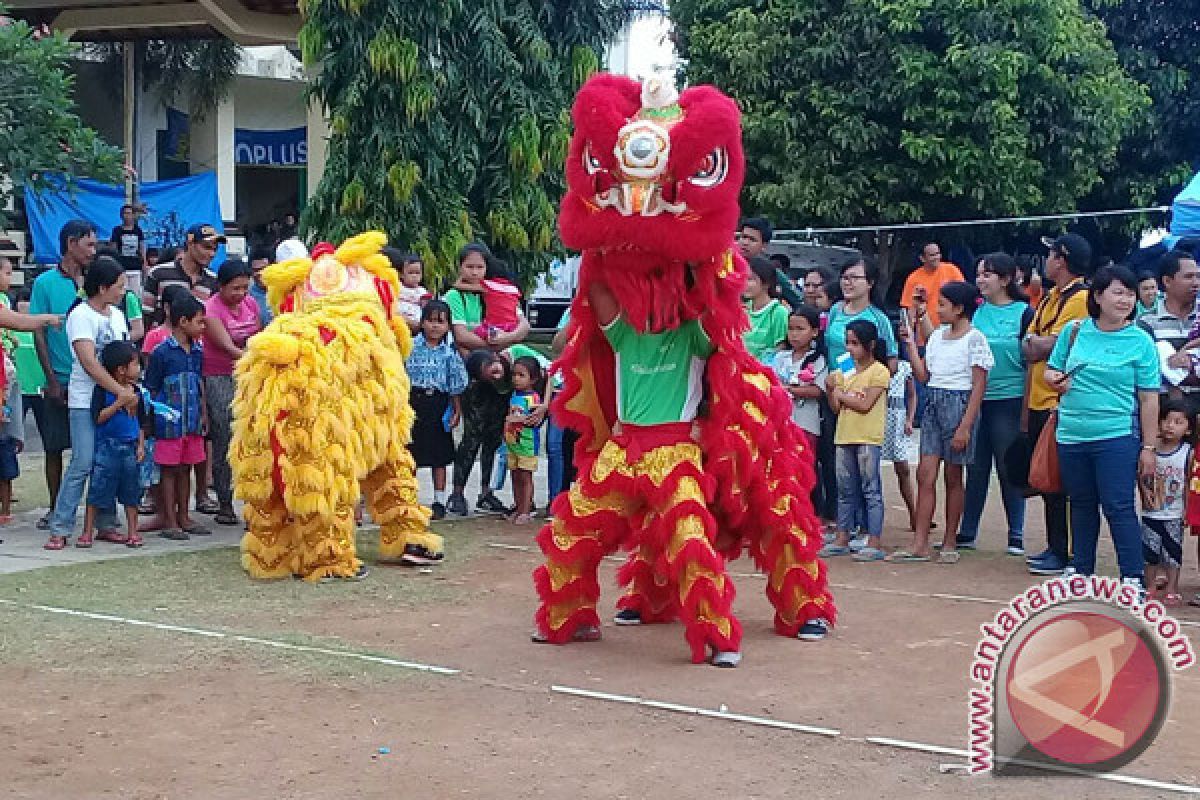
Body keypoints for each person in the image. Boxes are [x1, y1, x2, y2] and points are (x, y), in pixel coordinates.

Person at [1044, 265, 1159, 589]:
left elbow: (1149, 399)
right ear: (1097, 296)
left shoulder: (1140, 341)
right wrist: (1055, 380)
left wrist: (1148, 448)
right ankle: (1081, 570)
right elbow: (1051, 371)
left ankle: (1132, 578)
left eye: (1130, 293)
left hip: (1116, 436)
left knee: (1118, 505)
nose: (1125, 300)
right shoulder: (1074, 331)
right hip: (1071, 434)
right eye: (1118, 292)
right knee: (1080, 503)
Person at [895, 281, 993, 563]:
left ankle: (950, 541)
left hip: (959, 405)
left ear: (959, 309)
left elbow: (978, 386)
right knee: (925, 474)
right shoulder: (938, 337)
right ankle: (920, 542)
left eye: (943, 305)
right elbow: (924, 375)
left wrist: (965, 426)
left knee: (953, 475)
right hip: (935, 404)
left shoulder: (975, 339)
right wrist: (911, 346)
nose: (939, 310)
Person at [44, 256, 132, 550]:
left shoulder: (116, 315)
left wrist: (123, 391)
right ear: (104, 287)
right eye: (119, 286)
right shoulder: (80, 315)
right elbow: (89, 363)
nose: (123, 291)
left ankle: (105, 523)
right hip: (85, 399)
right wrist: (119, 392)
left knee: (107, 461)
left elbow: (123, 356)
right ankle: (61, 525)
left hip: (112, 397)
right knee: (82, 462)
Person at [1022, 232, 1092, 575]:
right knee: (1048, 480)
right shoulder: (1052, 297)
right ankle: (1056, 548)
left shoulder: (1079, 298)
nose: (1046, 260)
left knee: (1063, 481)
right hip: (1040, 398)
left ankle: (1068, 554)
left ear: (1061, 259)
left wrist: (1037, 343)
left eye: (1051, 254)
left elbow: (1044, 346)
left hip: (1059, 401)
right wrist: (1037, 343)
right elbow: (1030, 342)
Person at [444, 243, 529, 516]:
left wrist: (505, 339)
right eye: (469, 266)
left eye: (479, 266)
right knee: (472, 436)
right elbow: (461, 336)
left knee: (495, 436)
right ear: (460, 267)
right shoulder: (454, 297)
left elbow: (523, 325)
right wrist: (492, 345)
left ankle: (486, 492)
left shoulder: (497, 291)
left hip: (501, 373)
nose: (475, 271)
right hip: (473, 375)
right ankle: (457, 494)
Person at [958, 254, 1033, 555]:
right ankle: (968, 530)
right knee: (975, 467)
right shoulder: (975, 312)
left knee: (1007, 466)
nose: (980, 280)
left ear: (1005, 279)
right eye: (978, 274)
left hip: (1009, 398)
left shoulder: (1024, 313)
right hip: (977, 399)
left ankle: (1016, 534)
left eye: (987, 274)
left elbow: (1031, 363)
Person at [30, 219, 96, 530]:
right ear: (71, 243)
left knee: (92, 448)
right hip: (59, 373)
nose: (92, 251)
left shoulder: (95, 280)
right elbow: (39, 333)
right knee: (54, 446)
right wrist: (51, 380)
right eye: (88, 244)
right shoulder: (45, 283)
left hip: (90, 375)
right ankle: (56, 507)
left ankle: (93, 510)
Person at [820, 319, 890, 562]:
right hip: (845, 434)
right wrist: (832, 392)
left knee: (870, 490)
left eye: (855, 343)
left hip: (868, 436)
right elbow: (836, 407)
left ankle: (874, 540)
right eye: (848, 343)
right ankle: (842, 536)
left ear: (869, 345)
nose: (849, 348)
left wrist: (838, 392)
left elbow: (864, 404)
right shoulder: (846, 366)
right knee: (845, 490)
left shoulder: (879, 371)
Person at [144, 294, 208, 540]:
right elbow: (151, 387)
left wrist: (203, 414)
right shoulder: (162, 353)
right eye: (199, 322)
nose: (203, 327)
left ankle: (184, 515)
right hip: (168, 424)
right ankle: (169, 518)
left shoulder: (197, 352)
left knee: (186, 468)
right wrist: (151, 420)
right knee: (169, 471)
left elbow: (199, 384)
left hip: (191, 423)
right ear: (183, 321)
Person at [203, 259, 262, 525]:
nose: (240, 294)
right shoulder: (211, 310)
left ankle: (254, 502)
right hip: (219, 376)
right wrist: (256, 359)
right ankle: (225, 503)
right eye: (235, 289)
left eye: (245, 289)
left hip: (248, 375)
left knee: (251, 438)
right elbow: (227, 347)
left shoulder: (250, 304)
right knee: (225, 436)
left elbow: (258, 335)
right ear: (221, 286)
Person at [405, 300, 468, 520]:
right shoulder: (410, 347)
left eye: (440, 322)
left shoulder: (450, 354)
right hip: (412, 403)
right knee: (410, 454)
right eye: (430, 321)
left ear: (449, 326)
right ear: (422, 323)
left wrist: (456, 410)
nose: (435, 326)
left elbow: (456, 385)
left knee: (438, 456)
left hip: (438, 404)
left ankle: (439, 500)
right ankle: (408, 498)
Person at [82, 340, 147, 549]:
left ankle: (133, 532)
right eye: (135, 364)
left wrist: (141, 445)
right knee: (98, 490)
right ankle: (87, 531)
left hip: (130, 448)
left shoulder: (137, 392)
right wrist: (118, 402)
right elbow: (98, 418)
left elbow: (141, 423)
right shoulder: (102, 391)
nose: (138, 369)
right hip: (106, 449)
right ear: (121, 370)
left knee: (131, 492)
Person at [771, 306, 828, 524]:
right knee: (783, 469)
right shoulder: (780, 357)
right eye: (791, 329)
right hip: (782, 422)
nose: (794, 334)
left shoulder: (818, 359)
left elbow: (817, 391)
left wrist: (788, 390)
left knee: (805, 470)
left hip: (806, 423)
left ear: (814, 332)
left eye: (800, 329)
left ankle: (807, 514)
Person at [1141, 399, 1190, 607]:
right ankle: (1151, 586)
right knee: (1149, 552)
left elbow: (1189, 482)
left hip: (1174, 513)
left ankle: (1172, 588)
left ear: (1188, 429)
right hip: (1150, 512)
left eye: (1178, 422)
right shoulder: (1150, 452)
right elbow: (1141, 476)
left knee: (1173, 553)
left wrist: (1187, 509)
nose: (1170, 426)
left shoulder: (1188, 452)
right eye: (1166, 421)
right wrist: (1144, 493)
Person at [1145, 251, 1200, 416]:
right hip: (1167, 423)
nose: (1196, 283)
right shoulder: (1146, 323)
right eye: (1189, 277)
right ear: (1167, 281)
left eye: (1198, 276)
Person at [825, 255, 898, 369]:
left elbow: (891, 358)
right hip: (832, 383)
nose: (847, 282)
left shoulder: (878, 318)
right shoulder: (836, 309)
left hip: (860, 384)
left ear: (870, 283)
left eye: (854, 278)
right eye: (844, 277)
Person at [142, 223, 223, 321]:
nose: (212, 254)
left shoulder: (213, 280)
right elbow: (146, 315)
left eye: (215, 249)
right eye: (206, 247)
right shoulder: (158, 273)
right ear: (190, 244)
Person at [882, 352, 919, 533]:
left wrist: (909, 420)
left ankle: (914, 514)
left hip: (897, 422)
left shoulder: (904, 368)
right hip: (877, 420)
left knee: (903, 469)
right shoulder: (873, 366)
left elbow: (912, 395)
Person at [900, 242, 964, 343]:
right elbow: (909, 310)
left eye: (938, 253)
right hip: (924, 338)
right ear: (922, 258)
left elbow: (963, 298)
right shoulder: (913, 278)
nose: (936, 257)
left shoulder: (952, 270)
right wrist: (909, 336)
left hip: (953, 334)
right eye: (932, 255)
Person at [505, 356, 543, 525]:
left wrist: (515, 420)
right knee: (514, 475)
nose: (516, 379)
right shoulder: (514, 395)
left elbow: (532, 419)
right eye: (514, 375)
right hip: (513, 443)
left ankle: (526, 510)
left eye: (521, 375)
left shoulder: (534, 398)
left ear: (533, 379)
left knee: (525, 476)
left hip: (527, 443)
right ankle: (518, 507)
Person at [736, 217, 802, 309]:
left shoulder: (771, 272)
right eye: (743, 237)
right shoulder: (726, 266)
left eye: (752, 239)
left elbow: (797, 304)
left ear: (764, 246)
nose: (745, 242)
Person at [743, 256, 790, 365]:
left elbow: (780, 349)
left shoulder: (778, 312)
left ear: (766, 283)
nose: (744, 283)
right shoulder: (743, 309)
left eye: (750, 279)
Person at [387, 249, 429, 334]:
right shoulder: (397, 286)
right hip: (397, 317)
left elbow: (426, 308)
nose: (414, 276)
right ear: (401, 274)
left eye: (417, 273)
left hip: (415, 320)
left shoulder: (422, 291)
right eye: (410, 273)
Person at [110, 204, 145, 274]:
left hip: (136, 266)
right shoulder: (117, 230)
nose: (127, 216)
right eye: (125, 213)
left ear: (133, 215)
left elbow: (142, 248)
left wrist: (144, 263)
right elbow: (113, 248)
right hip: (121, 266)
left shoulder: (138, 230)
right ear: (121, 216)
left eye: (129, 213)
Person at [247, 246, 274, 328]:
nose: (260, 274)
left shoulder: (286, 291)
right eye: (256, 270)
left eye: (264, 269)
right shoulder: (246, 297)